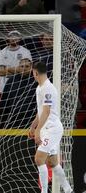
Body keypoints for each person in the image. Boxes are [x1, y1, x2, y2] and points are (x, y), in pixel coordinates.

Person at [28, 61, 73, 193]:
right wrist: (32, 126)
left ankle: (44, 192)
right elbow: (41, 111)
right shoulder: (39, 88)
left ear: (35, 72)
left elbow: (47, 112)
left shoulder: (48, 88)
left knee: (38, 159)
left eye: (32, 72)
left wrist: (37, 131)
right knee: (52, 163)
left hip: (52, 129)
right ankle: (69, 190)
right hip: (46, 129)